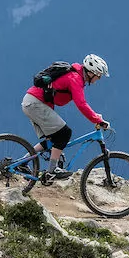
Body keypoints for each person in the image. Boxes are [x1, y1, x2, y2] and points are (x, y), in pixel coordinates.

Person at [21, 54, 110, 184]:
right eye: (99, 76)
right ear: (91, 73)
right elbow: (81, 104)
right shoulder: (75, 79)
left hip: (32, 102)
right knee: (65, 133)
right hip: (35, 104)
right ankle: (52, 171)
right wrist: (97, 119)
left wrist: (96, 117)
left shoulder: (75, 76)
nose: (98, 79)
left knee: (53, 140)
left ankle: (22, 163)